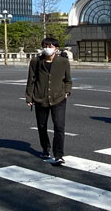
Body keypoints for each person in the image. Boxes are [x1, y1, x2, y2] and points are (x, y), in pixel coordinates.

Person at [26, 37, 72, 166]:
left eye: (50, 46)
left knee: (59, 126)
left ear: (56, 48)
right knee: (42, 126)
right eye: (45, 45)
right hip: (40, 98)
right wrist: (29, 97)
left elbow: (68, 80)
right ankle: (45, 148)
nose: (47, 48)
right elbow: (31, 80)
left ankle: (59, 155)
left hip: (59, 98)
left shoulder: (63, 61)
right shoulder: (35, 61)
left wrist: (67, 91)